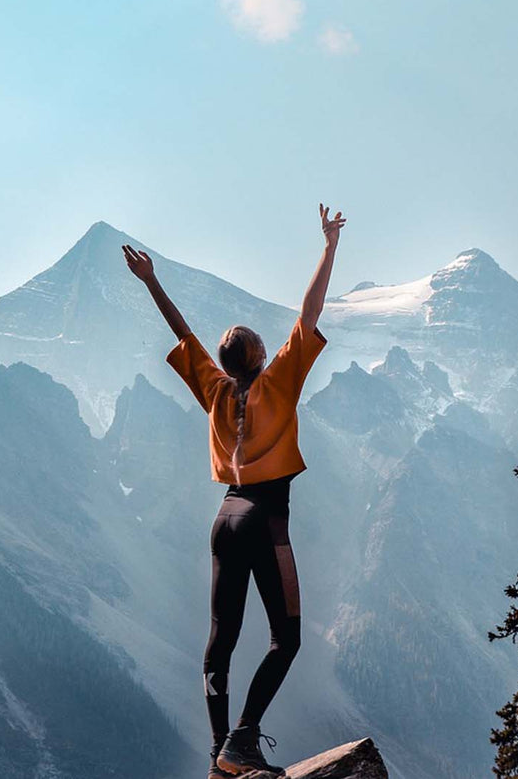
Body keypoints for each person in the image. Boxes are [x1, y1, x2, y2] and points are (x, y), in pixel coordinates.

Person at [123, 205, 345, 778]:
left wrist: (152, 281)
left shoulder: (215, 392)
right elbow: (311, 310)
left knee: (222, 636)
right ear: (262, 356)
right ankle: (243, 741)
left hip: (224, 519)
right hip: (265, 519)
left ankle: (220, 754)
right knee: (286, 639)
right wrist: (328, 246)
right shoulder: (279, 382)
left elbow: (183, 333)